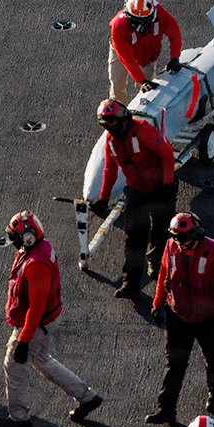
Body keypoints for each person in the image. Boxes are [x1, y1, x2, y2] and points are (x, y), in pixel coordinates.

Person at [0, 211, 102, 427]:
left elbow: (36, 308)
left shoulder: (36, 265)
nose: (14, 241)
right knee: (41, 360)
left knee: (14, 367)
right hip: (46, 321)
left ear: (29, 237)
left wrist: (23, 340)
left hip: (35, 325)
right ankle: (86, 396)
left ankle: (19, 418)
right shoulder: (40, 249)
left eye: (16, 237)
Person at [146, 212, 214, 427]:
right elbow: (164, 274)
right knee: (174, 364)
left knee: (213, 357)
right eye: (176, 237)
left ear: (197, 233)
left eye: (184, 237)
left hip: (208, 319)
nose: (180, 242)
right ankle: (166, 409)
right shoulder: (170, 246)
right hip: (178, 316)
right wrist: (157, 303)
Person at [90, 99, 178, 298]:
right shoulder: (111, 142)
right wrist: (103, 199)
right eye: (106, 126)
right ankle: (131, 283)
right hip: (136, 191)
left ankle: (157, 265)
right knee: (134, 239)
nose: (111, 129)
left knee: (161, 231)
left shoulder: (143, 130)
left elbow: (167, 156)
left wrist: (167, 184)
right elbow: (110, 170)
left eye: (113, 124)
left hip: (160, 188)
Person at [108, 0, 183, 105]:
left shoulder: (161, 14)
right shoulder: (118, 26)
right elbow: (127, 58)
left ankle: (144, 116)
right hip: (121, 53)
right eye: (135, 20)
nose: (139, 25)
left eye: (143, 21)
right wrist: (140, 79)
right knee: (117, 83)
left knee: (149, 89)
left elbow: (175, 34)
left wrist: (175, 57)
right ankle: (119, 116)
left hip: (147, 54)